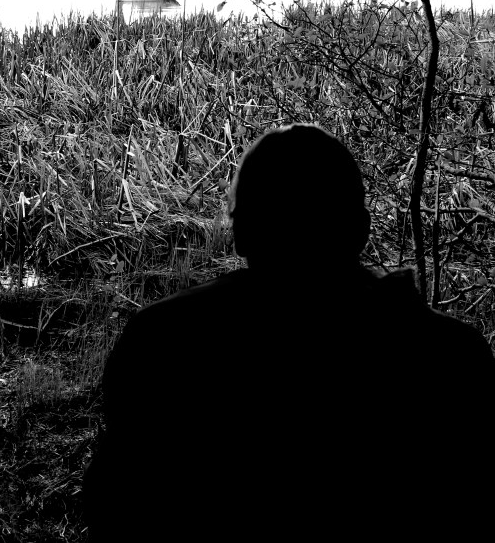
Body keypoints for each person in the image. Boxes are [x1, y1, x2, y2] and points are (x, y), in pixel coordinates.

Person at [83, 124, 495, 541]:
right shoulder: (452, 356)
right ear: (361, 229)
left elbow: (116, 504)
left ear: (240, 234)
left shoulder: (163, 341)